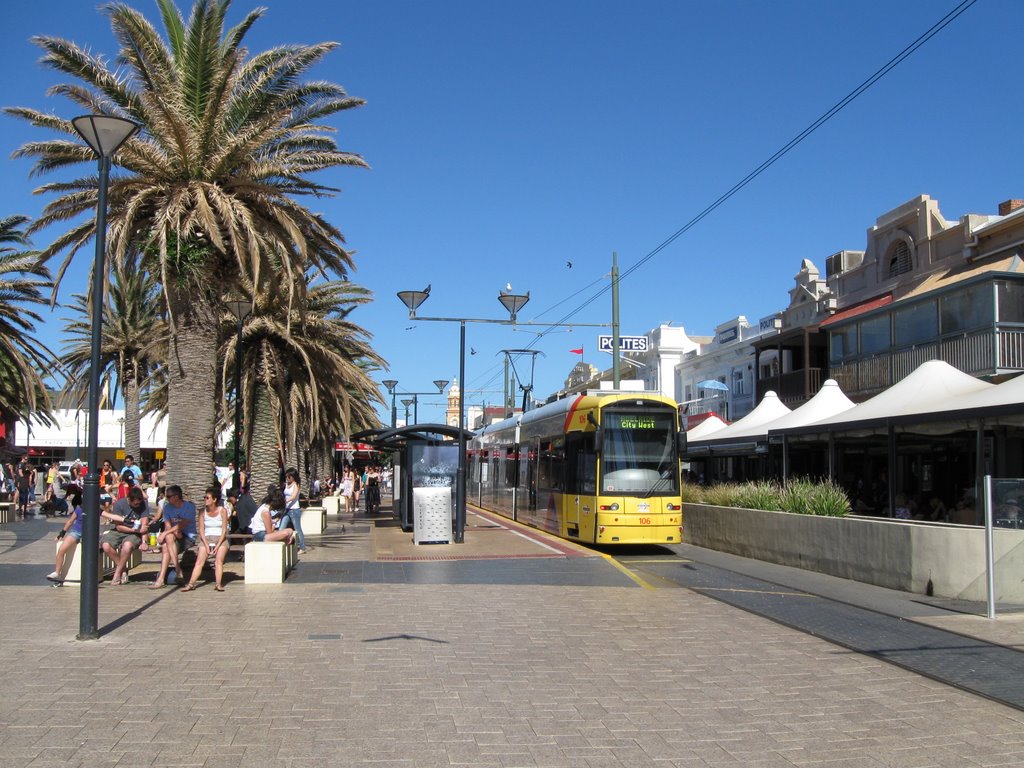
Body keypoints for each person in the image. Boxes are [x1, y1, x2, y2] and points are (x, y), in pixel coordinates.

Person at [181, 486, 230, 592]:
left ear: (214, 499)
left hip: (220, 539)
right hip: (206, 538)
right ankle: (191, 584)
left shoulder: (222, 511)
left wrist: (217, 545)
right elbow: (201, 530)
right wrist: (206, 545)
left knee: (218, 561)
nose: (205, 499)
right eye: (205, 497)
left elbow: (224, 530)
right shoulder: (202, 512)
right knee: (199, 561)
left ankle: (218, 584)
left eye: (207, 497)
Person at [100, 486, 150, 585]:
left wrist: (144, 541)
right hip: (121, 530)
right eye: (135, 503)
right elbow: (119, 527)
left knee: (127, 546)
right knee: (105, 545)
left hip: (135, 533)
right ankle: (123, 568)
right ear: (129, 500)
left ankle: (117, 573)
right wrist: (135, 529)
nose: (137, 505)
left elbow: (144, 525)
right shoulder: (119, 504)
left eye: (139, 503)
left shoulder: (143, 505)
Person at [150, 485, 197, 588]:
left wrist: (165, 533)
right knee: (167, 541)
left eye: (169, 496)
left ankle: (161, 579)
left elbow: (183, 524)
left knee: (166, 542)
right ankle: (176, 569)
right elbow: (167, 525)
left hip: (188, 536)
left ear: (176, 497)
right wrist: (171, 532)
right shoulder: (167, 508)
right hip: (174, 534)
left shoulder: (189, 507)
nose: (166, 498)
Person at [47, 486, 85, 584]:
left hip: (90, 533)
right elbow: (70, 521)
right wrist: (61, 534)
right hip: (76, 532)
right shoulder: (79, 508)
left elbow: (109, 515)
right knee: (61, 549)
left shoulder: (95, 508)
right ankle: (57, 572)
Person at [283, 467, 306, 554]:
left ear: (293, 477)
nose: (287, 478)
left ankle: (302, 547)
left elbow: (293, 496)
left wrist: (286, 501)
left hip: (294, 510)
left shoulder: (296, 485)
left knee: (297, 528)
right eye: (286, 477)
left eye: (289, 477)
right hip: (287, 509)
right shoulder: (286, 484)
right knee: (282, 527)